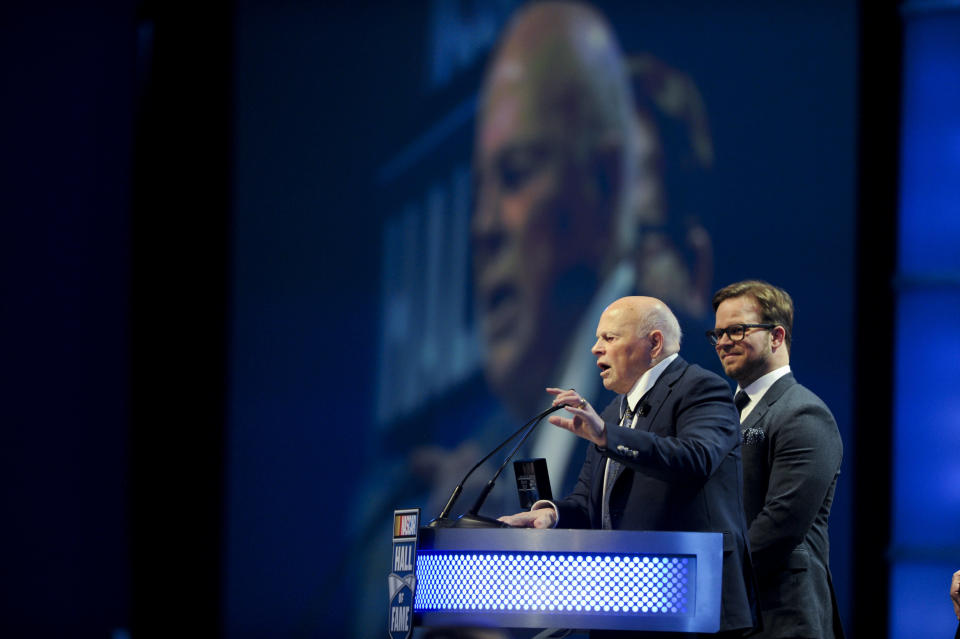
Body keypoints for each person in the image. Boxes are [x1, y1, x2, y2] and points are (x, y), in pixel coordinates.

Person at [472, 0, 714, 494]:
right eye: (479, 189)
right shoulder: (502, 440)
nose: (484, 225)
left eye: (516, 173)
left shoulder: (683, 390)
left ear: (605, 184)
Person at [500, 296, 757, 637]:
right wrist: (551, 514)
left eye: (609, 338)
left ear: (654, 343)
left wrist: (607, 436)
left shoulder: (701, 388)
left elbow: (697, 458)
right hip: (620, 603)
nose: (595, 349)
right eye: (596, 339)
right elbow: (588, 504)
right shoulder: (612, 413)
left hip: (689, 602)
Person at [708, 280, 844, 638]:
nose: (723, 342)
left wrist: (707, 575)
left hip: (781, 617)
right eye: (718, 333)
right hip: (729, 612)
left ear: (777, 336)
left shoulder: (804, 413)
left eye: (736, 330)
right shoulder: (721, 414)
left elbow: (781, 523)